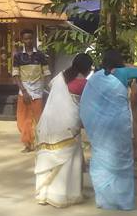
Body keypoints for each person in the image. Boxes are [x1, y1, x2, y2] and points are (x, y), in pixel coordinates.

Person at [79, 50, 137, 211]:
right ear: (119, 63)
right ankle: (122, 201)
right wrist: (125, 66)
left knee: (101, 158)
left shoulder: (96, 76)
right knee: (120, 160)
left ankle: (105, 200)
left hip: (98, 126)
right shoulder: (121, 72)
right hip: (117, 126)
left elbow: (87, 104)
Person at [34, 53, 94, 208]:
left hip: (49, 122)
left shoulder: (60, 77)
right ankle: (65, 194)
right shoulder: (83, 84)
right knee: (68, 160)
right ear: (87, 69)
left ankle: (44, 194)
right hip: (67, 125)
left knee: (49, 156)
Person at [12, 29, 51, 152]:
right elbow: (16, 75)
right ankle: (27, 143)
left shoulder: (40, 55)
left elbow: (46, 73)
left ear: (33, 39)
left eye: (30, 38)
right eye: (26, 38)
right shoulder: (18, 56)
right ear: (22, 40)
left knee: (38, 117)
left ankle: (38, 142)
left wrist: (47, 87)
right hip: (24, 90)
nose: (28, 41)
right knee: (23, 119)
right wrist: (24, 91)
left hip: (37, 91)